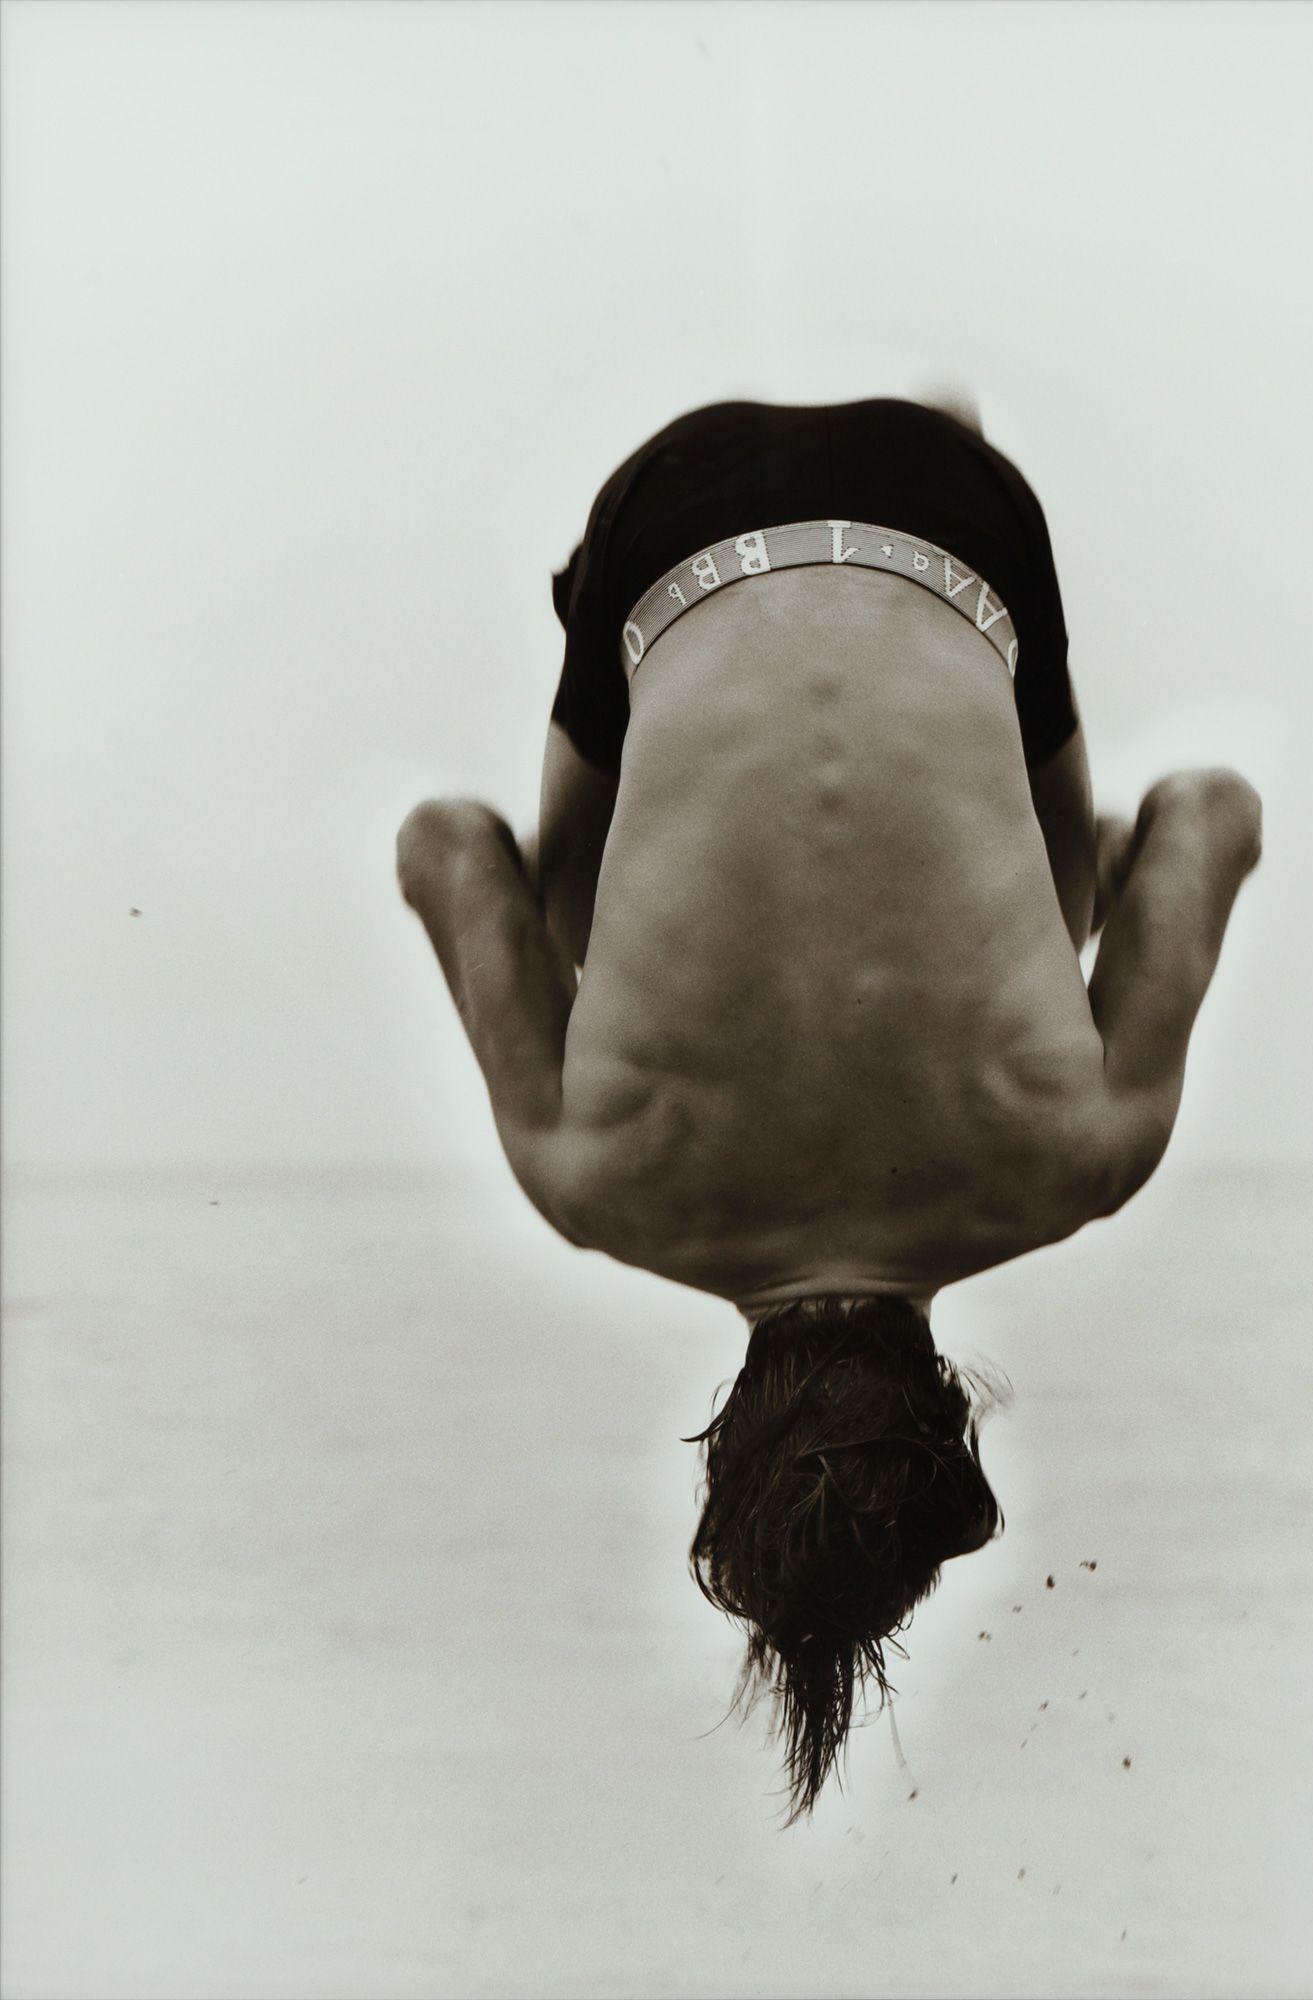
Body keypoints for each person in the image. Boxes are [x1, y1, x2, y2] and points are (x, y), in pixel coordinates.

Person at [396, 396, 1262, 1821]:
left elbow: (1213, 804)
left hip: (959, 516)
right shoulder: (594, 1181)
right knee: (568, 927)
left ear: (949, 1428)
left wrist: (1083, 901)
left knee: (1060, 905)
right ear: (729, 1430)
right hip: (665, 516)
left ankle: (912, 499)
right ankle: (614, 603)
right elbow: (444, 842)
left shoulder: (1077, 1160)